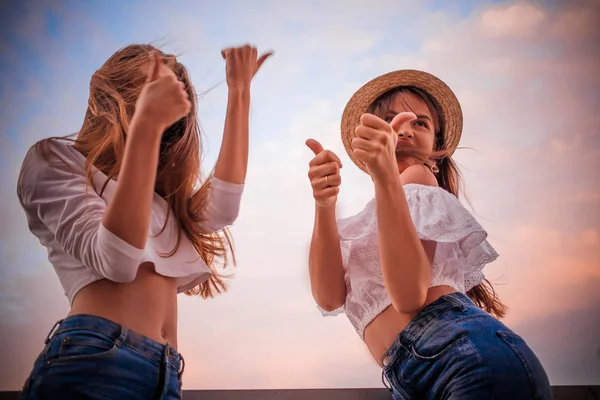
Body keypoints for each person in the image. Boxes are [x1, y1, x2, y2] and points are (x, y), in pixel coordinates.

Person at [17, 43, 271, 399]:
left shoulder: (157, 200)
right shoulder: (53, 158)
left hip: (165, 372)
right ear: (113, 95)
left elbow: (223, 207)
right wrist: (147, 126)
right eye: (151, 87)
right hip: (95, 357)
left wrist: (239, 92)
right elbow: (117, 260)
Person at [305, 70, 553, 399]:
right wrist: (324, 203)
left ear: (436, 148)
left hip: (461, 359)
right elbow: (329, 296)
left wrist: (385, 178)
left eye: (420, 123)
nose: (406, 129)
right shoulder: (378, 212)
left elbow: (408, 297)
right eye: (393, 120)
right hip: (419, 374)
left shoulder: (419, 177)